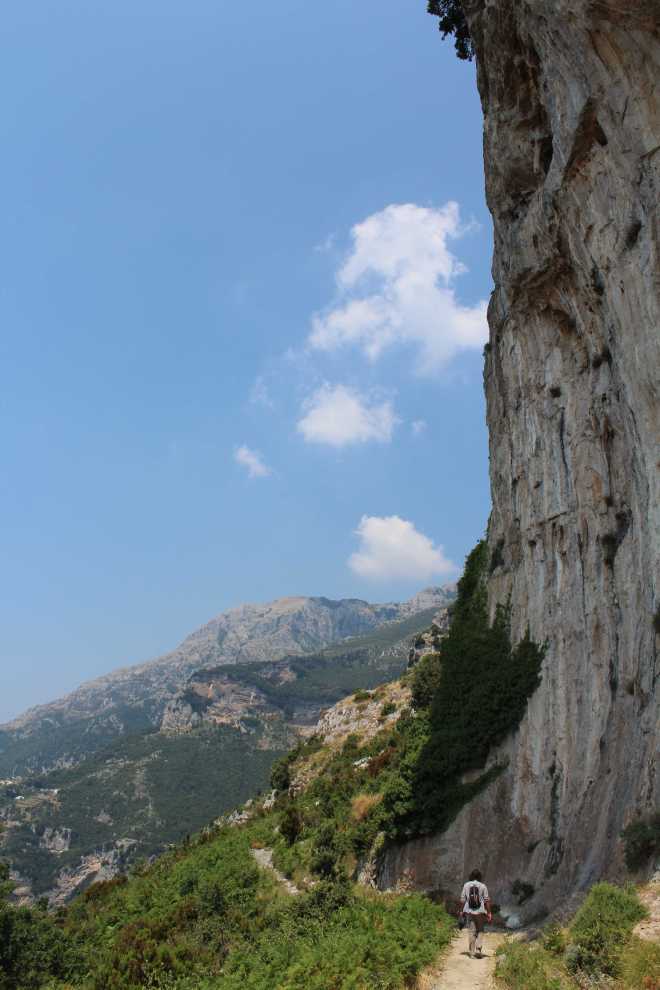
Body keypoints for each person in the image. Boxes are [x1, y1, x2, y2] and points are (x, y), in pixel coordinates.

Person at [460, 869, 492, 958]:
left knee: (471, 931)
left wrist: (461, 911)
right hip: (480, 911)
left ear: (471, 876)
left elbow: (462, 900)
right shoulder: (483, 886)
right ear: (479, 877)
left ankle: (472, 953)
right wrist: (489, 913)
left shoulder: (466, 885)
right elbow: (487, 901)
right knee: (480, 930)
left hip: (469, 911)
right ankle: (478, 948)